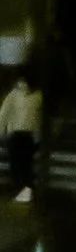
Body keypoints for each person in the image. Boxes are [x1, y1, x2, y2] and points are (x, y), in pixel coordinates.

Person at [0, 69, 39, 204]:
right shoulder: (38, 96)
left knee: (16, 165)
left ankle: (19, 190)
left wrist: (1, 131)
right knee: (26, 164)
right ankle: (27, 190)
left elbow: (3, 114)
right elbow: (38, 118)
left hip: (16, 134)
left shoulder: (13, 95)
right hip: (28, 135)